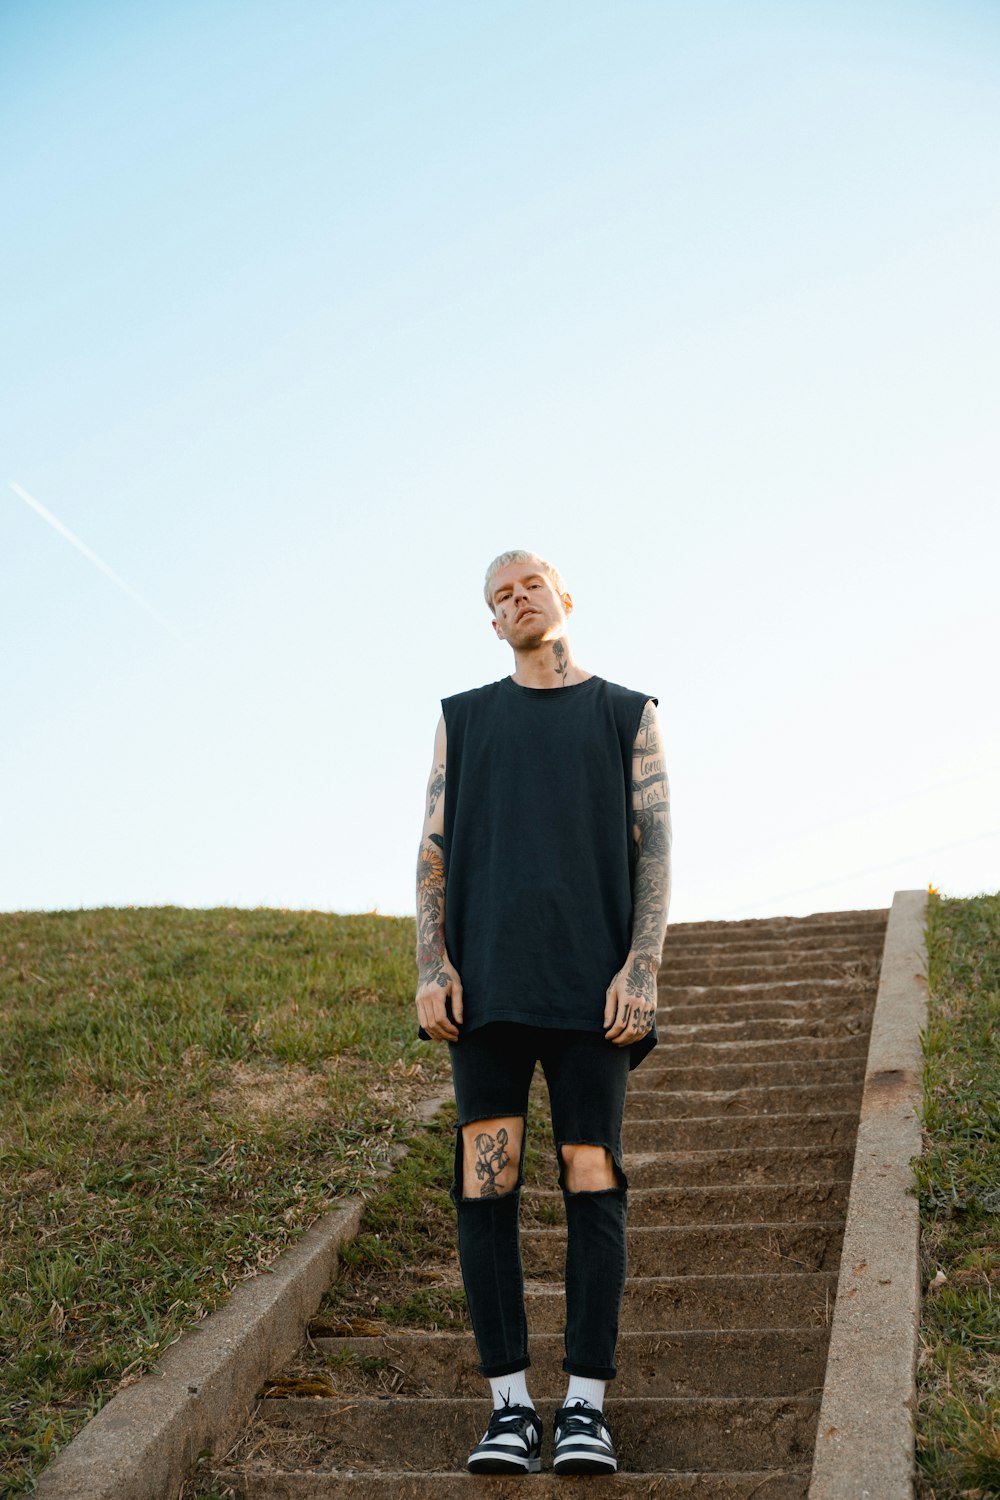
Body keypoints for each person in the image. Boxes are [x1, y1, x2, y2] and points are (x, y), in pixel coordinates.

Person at [414, 549, 671, 1477]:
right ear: (493, 624)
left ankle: (587, 1408)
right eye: (500, 596)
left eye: (530, 586)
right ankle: (512, 1407)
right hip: (484, 989)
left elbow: (655, 849)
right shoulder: (465, 720)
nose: (518, 601)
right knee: (488, 1180)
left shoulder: (626, 713)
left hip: (591, 990)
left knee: (590, 1171)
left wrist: (642, 966)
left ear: (565, 597)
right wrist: (430, 963)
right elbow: (434, 844)